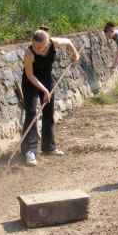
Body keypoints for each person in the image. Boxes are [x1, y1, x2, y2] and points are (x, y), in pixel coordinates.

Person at [21, 27, 79, 166]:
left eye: (40, 47)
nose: (36, 49)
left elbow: (69, 42)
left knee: (49, 111)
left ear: (47, 43)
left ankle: (49, 147)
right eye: (34, 46)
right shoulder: (29, 53)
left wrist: (75, 54)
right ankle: (29, 151)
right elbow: (30, 75)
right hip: (31, 81)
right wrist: (45, 90)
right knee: (32, 112)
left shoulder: (54, 43)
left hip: (46, 78)